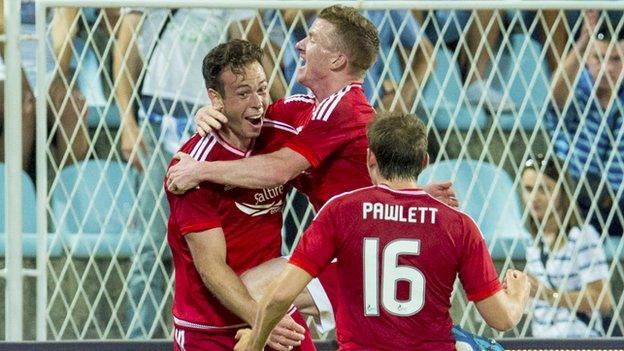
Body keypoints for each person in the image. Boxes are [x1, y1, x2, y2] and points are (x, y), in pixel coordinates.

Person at [166, 5, 457, 333]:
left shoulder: (344, 108)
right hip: (356, 253)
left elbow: (279, 170)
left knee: (245, 296)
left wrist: (202, 170)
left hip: (358, 259)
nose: (300, 44)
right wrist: (211, 112)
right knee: (252, 302)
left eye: (313, 39)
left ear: (337, 60)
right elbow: (252, 116)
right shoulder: (308, 108)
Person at [233, 112, 531, 351]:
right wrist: (519, 294)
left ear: (370, 159)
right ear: (424, 162)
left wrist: (254, 343)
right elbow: (500, 318)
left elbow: (279, 296)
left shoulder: (341, 211)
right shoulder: (459, 225)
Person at [113, 7, 288, 337]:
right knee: (149, 246)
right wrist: (127, 122)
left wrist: (284, 110)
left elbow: (254, 53)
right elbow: (125, 51)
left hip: (213, 123)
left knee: (228, 243)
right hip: (155, 119)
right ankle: (140, 337)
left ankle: (239, 325)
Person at [164, 39, 314, 351]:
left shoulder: (279, 133)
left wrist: (411, 190)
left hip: (272, 308)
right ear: (215, 98)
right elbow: (212, 267)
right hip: (210, 328)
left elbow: (347, 129)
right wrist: (261, 323)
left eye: (262, 88)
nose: (258, 102)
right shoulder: (190, 167)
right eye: (243, 93)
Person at [548, 9, 623, 237]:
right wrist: (582, 44)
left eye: (616, 59)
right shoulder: (576, 94)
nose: (607, 68)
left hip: (617, 207)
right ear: (587, 60)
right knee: (580, 187)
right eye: (599, 58)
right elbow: (557, 95)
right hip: (574, 205)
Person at [521, 153, 613, 337]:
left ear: (562, 192)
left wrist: (547, 294)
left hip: (578, 340)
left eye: (544, 189)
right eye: (529, 189)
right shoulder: (533, 242)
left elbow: (603, 301)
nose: (534, 197)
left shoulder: (582, 236)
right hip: (540, 341)